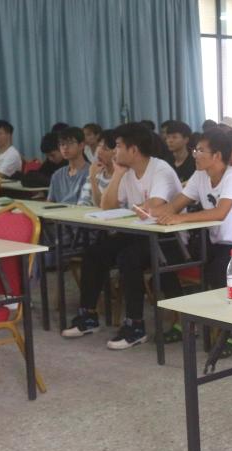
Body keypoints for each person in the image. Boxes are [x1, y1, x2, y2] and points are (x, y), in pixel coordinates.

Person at [61, 123, 184, 350]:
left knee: (129, 257)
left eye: (118, 146)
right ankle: (88, 316)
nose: (114, 151)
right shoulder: (127, 172)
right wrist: (117, 174)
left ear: (133, 150)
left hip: (169, 239)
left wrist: (137, 208)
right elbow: (107, 206)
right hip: (140, 232)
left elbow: (154, 205)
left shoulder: (160, 169)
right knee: (94, 253)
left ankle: (135, 326)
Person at [152, 128, 232, 303]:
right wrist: (150, 212)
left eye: (200, 151)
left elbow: (220, 213)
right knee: (167, 259)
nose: (195, 155)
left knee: (217, 270)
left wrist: (179, 218)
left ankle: (229, 318)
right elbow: (174, 206)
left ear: (217, 155)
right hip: (215, 245)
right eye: (195, 150)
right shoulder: (200, 175)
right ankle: (180, 312)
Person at [47, 127, 90, 204]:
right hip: (58, 211)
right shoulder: (57, 175)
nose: (65, 147)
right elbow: (50, 202)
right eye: (62, 144)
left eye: (70, 143)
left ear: (81, 145)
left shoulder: (91, 172)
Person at [83, 129, 117, 206]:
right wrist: (92, 177)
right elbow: (83, 202)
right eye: (99, 146)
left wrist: (93, 180)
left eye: (105, 149)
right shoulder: (96, 172)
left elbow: (102, 205)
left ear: (116, 152)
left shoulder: (121, 177)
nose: (99, 151)